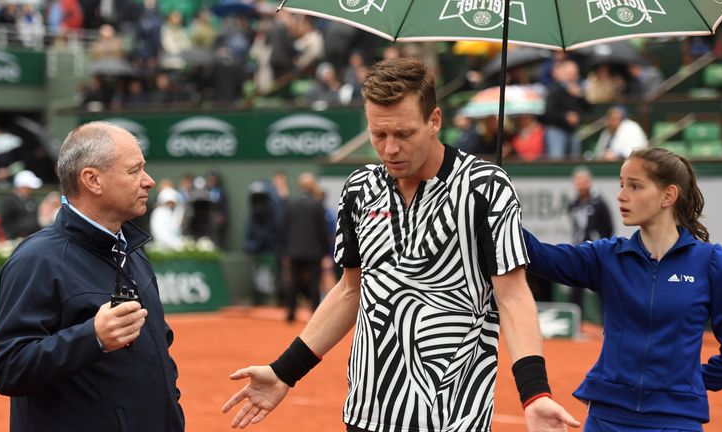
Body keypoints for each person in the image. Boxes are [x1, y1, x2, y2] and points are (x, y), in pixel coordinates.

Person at [222, 58, 578, 432]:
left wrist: (535, 393)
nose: (390, 149)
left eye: (404, 134)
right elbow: (349, 291)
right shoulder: (359, 189)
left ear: (435, 120)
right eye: (379, 135)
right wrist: (284, 371)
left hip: (454, 419)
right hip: (367, 414)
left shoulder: (486, 187)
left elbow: (513, 296)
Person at [0, 122, 184, 431]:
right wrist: (92, 337)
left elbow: (158, 349)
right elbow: (8, 367)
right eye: (134, 172)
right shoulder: (37, 259)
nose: (148, 181)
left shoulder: (131, 250)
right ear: (92, 180)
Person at [523, 148, 722, 431]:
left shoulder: (711, 262)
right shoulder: (608, 256)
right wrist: (497, 216)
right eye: (621, 184)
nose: (621, 195)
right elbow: (539, 256)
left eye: (635, 186)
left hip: (677, 419)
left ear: (668, 196)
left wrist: (692, 379)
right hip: (606, 418)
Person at [281, 172, 329, 322]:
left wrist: (285, 251)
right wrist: (325, 252)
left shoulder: (290, 204)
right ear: (312, 186)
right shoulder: (317, 204)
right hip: (314, 252)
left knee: (293, 281)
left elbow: (284, 229)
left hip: (294, 251)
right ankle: (314, 314)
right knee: (314, 282)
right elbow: (323, 231)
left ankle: (290, 314)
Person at [567, 166, 613, 318]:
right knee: (575, 287)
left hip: (596, 251)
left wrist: (601, 244)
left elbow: (608, 227)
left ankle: (606, 325)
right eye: (577, 182)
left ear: (589, 182)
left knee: (602, 288)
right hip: (578, 250)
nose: (580, 185)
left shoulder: (599, 203)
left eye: (583, 182)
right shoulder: (573, 204)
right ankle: (575, 324)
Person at [0, 170, 43, 239]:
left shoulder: (32, 199)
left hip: (32, 238)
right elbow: (6, 222)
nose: (31, 189)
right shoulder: (10, 200)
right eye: (28, 187)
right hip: (15, 239)